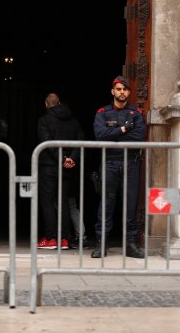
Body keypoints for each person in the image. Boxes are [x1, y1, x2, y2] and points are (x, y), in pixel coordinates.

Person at [92, 76, 146, 258]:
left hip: (131, 162)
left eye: (125, 89)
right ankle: (101, 244)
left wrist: (113, 135)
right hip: (110, 163)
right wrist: (123, 130)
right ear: (112, 91)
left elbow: (138, 137)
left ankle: (131, 244)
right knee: (106, 205)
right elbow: (100, 135)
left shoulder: (136, 114)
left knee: (130, 204)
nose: (122, 92)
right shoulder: (102, 113)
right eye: (118, 89)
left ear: (129, 92)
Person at [36, 93, 84, 250]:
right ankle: (64, 239)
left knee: (47, 202)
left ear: (46, 104)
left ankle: (51, 239)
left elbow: (47, 143)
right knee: (63, 202)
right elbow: (79, 142)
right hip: (67, 168)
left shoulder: (44, 120)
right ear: (60, 103)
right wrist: (71, 159)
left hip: (49, 167)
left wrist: (62, 158)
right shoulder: (74, 121)